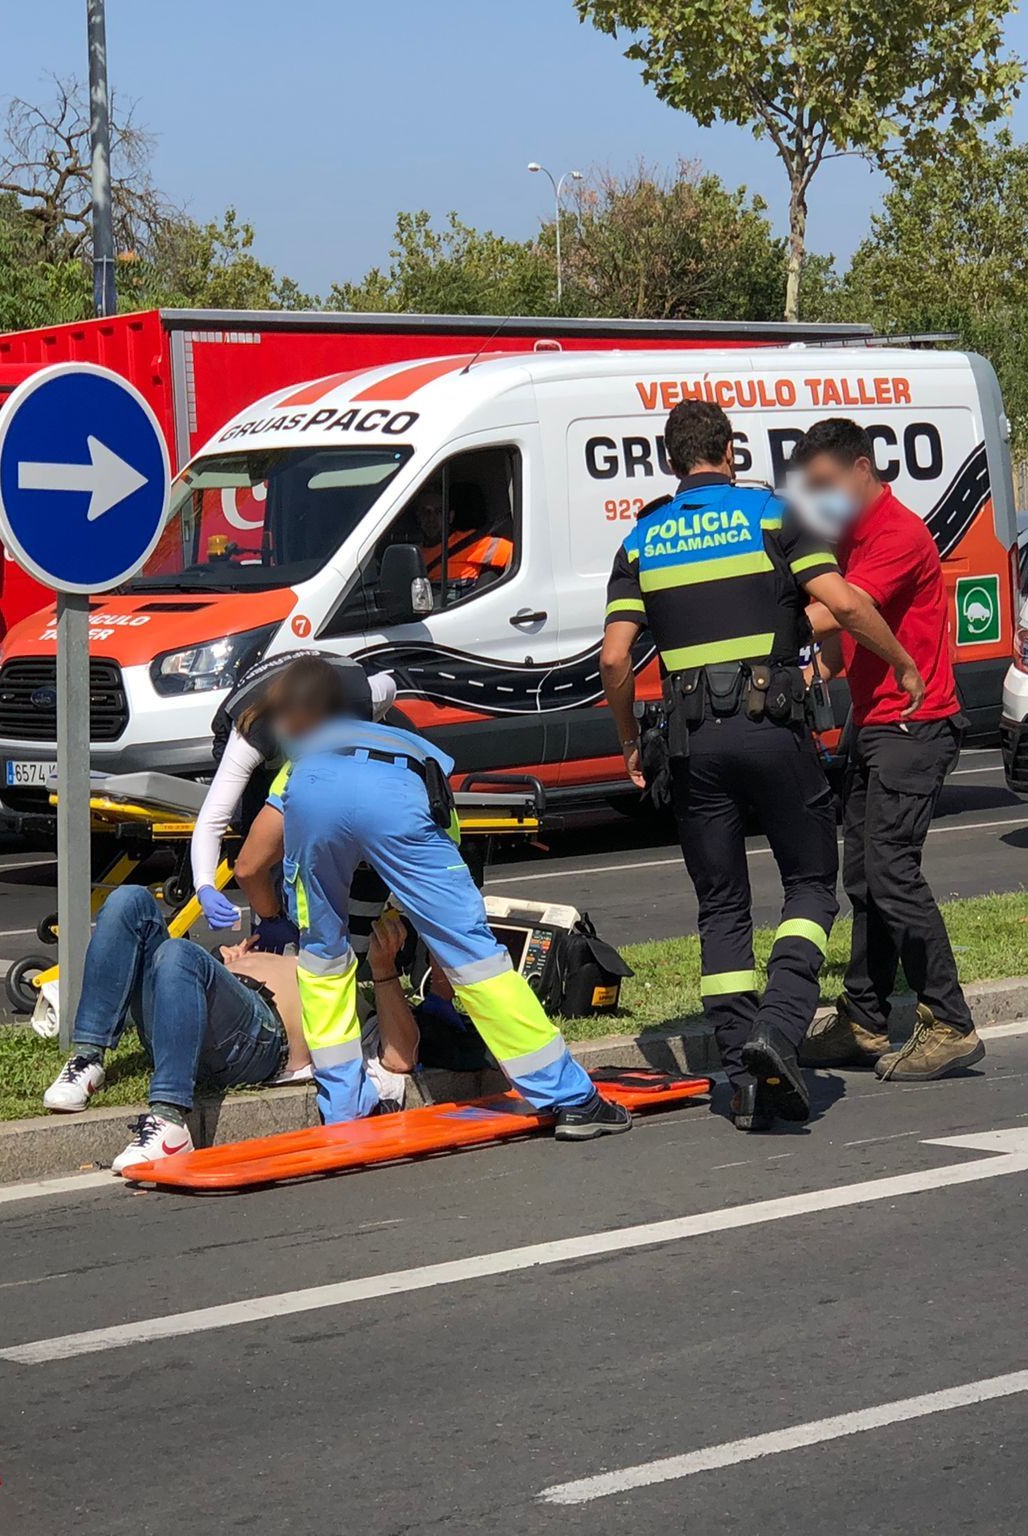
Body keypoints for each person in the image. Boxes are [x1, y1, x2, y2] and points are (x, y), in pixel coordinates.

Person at [599, 399, 925, 1132]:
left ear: (670, 462)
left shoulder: (644, 537)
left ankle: (742, 1064)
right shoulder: (774, 516)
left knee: (721, 907)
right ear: (731, 451)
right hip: (775, 731)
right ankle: (781, 1028)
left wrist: (627, 741)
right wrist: (901, 662)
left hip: (691, 747)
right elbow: (840, 603)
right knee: (810, 882)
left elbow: (616, 657)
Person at [244, 655, 624, 1135]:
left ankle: (343, 1108)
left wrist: (275, 916)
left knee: (323, 957)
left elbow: (251, 863)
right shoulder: (414, 746)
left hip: (315, 791)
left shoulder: (301, 759)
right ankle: (570, 1097)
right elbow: (450, 857)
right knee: (475, 957)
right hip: (401, 789)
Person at [792, 416, 984, 1082]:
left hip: (917, 721)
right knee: (864, 879)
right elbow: (845, 641)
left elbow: (841, 608)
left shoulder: (898, 534)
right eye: (809, 487)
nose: (820, 497)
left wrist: (758, 618)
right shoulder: (849, 536)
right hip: (876, 722)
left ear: (861, 470)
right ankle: (865, 1020)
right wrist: (822, 670)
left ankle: (950, 1023)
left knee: (893, 871)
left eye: (826, 483)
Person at [42, 884, 418, 1170]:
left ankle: (170, 1118)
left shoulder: (347, 974)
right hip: (196, 1015)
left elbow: (401, 1057)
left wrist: (384, 971)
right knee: (130, 899)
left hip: (257, 1039)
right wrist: (227, 967)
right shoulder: (282, 947)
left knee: (179, 954)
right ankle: (87, 1057)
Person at [189, 648, 397, 933]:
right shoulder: (252, 732)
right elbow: (213, 817)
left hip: (335, 702)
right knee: (261, 841)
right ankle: (269, 923)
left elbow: (391, 686)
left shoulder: (366, 697)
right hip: (257, 737)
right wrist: (205, 885)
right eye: (295, 733)